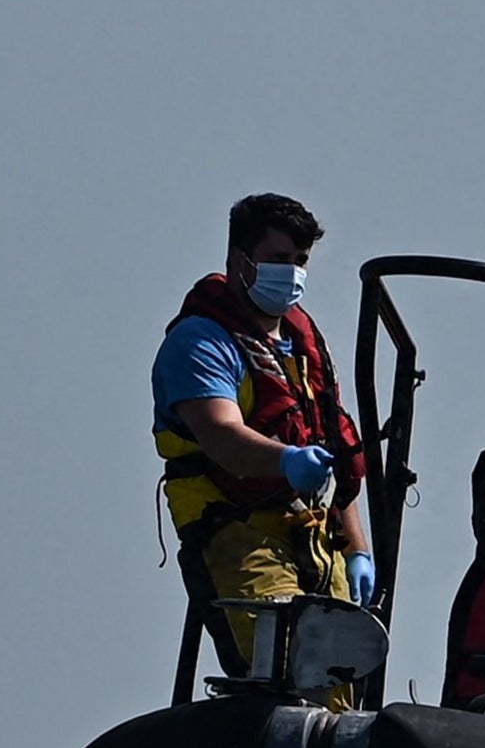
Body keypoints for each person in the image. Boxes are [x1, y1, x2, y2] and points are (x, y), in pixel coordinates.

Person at [153, 194, 371, 679]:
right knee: (285, 669)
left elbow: (331, 449)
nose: (291, 274)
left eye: (300, 262)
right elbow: (222, 435)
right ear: (239, 260)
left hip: (317, 538)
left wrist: (357, 548)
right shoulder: (200, 343)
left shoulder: (305, 347)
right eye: (277, 260)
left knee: (343, 682)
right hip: (238, 530)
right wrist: (288, 460)